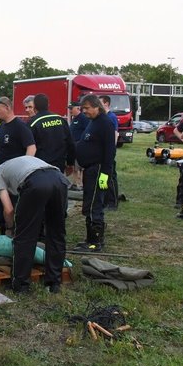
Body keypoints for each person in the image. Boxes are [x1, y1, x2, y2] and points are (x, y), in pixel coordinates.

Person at [0, 155, 69, 294]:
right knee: (56, 233)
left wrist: (10, 228)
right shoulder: (17, 162)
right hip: (59, 180)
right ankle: (54, 283)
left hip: (35, 183)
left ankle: (21, 285)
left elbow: (8, 209)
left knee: (25, 236)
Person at [73, 95, 115, 252]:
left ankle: (95, 242)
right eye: (83, 108)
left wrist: (105, 174)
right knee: (89, 203)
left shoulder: (106, 124)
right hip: (89, 170)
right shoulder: (93, 122)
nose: (84, 111)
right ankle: (89, 238)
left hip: (99, 170)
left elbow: (110, 151)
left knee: (94, 204)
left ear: (97, 107)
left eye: (87, 108)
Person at [0, 96, 35, 234]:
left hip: (16, 175)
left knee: (13, 206)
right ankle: (3, 230)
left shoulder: (20, 126)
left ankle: (14, 231)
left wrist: (25, 170)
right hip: (2, 174)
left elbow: (31, 147)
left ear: (7, 108)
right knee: (0, 207)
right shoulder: (3, 126)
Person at [28, 93, 75, 174]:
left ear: (34, 106)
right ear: (48, 105)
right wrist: (70, 163)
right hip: (59, 165)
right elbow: (70, 143)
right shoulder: (61, 120)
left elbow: (29, 147)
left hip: (40, 166)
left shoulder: (32, 123)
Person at [100, 95, 121, 209]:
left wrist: (111, 150)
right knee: (104, 176)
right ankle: (105, 199)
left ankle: (113, 202)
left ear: (106, 103)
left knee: (111, 176)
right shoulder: (103, 116)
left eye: (100, 102)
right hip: (102, 152)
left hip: (109, 152)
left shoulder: (111, 117)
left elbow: (115, 134)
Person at [67, 103, 88, 190]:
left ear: (78, 108)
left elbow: (87, 131)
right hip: (74, 146)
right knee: (75, 166)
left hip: (81, 146)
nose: (70, 110)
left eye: (72, 108)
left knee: (82, 167)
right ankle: (75, 184)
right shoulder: (74, 118)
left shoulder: (83, 118)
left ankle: (83, 185)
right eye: (69, 108)